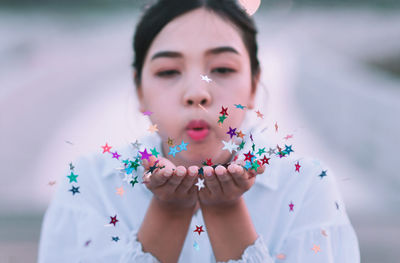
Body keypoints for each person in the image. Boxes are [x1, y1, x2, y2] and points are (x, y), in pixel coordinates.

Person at [38, 0, 360, 262]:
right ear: (139, 90)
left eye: (222, 69)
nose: (197, 94)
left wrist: (226, 211)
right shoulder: (89, 182)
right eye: (168, 72)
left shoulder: (306, 185)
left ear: (253, 85)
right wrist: (168, 211)